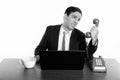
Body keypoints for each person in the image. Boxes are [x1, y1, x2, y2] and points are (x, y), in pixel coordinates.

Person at [34, 6, 99, 62]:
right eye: (74, 17)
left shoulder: (80, 35)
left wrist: (94, 39)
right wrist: (38, 57)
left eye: (78, 19)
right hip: (52, 67)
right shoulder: (50, 30)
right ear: (65, 16)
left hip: (72, 68)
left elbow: (87, 55)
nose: (76, 21)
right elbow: (39, 49)